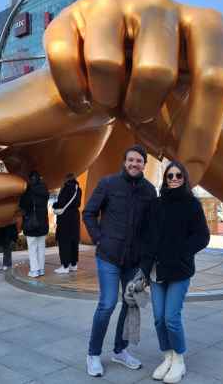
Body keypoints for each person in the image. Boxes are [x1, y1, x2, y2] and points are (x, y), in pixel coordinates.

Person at [83, 145, 156, 378]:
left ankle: (120, 350)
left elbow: (151, 228)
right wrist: (99, 239)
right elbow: (89, 213)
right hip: (109, 256)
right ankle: (93, 354)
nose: (135, 164)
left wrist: (147, 261)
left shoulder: (149, 190)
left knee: (129, 304)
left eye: (139, 161)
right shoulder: (108, 183)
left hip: (134, 260)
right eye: (131, 160)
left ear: (145, 164)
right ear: (125, 162)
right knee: (107, 304)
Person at [140, 161, 210, 383]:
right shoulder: (156, 204)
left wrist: (182, 252)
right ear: (165, 179)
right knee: (159, 319)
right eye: (170, 176)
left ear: (184, 178)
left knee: (171, 317)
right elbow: (148, 238)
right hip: (157, 271)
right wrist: (143, 269)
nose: (174, 179)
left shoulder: (192, 205)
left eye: (178, 175)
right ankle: (168, 356)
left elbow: (202, 237)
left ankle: (179, 359)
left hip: (179, 270)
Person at [19, 171, 50, 278]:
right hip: (43, 224)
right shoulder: (45, 191)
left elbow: (22, 206)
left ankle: (34, 270)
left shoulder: (28, 192)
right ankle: (41, 269)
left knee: (32, 248)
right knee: (41, 248)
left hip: (31, 224)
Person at [53, 173, 82, 274]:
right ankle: (73, 264)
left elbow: (61, 203)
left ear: (66, 179)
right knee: (74, 241)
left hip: (65, 218)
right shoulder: (78, 189)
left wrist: (54, 205)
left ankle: (65, 266)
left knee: (64, 242)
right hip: (75, 217)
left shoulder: (66, 188)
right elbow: (78, 203)